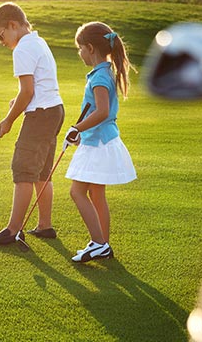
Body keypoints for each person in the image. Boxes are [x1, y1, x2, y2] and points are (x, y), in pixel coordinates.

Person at [0, 2, 65, 245]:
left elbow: (28, 91)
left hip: (40, 115)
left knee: (23, 171)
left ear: (13, 25)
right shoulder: (38, 41)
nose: (2, 42)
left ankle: (12, 230)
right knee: (42, 172)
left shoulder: (21, 50)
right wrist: (18, 101)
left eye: (1, 35)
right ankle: (44, 226)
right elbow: (35, 87)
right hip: (55, 110)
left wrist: (8, 120)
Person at [64, 21, 136, 263]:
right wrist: (80, 132)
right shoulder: (104, 72)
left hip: (97, 143)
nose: (79, 53)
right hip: (100, 140)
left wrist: (76, 128)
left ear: (91, 49)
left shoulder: (100, 77)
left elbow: (102, 111)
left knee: (77, 192)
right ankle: (102, 244)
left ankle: (98, 244)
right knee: (96, 194)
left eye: (80, 48)